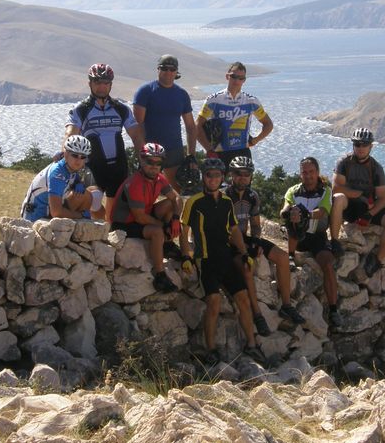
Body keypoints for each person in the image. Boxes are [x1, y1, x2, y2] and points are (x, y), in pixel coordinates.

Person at [180, 158, 265, 365]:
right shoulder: (193, 201)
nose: (213, 179)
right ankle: (210, 350)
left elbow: (234, 229)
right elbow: (184, 231)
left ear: (222, 177)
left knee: (243, 299)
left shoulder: (227, 202)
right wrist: (186, 256)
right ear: (203, 177)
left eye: (217, 175)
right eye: (209, 175)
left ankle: (252, 345)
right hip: (205, 259)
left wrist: (244, 253)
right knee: (214, 302)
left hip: (225, 257)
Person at [224, 156, 305, 335]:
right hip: (227, 242)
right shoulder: (224, 196)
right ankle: (258, 315)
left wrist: (255, 241)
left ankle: (286, 305)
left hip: (245, 238)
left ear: (251, 176)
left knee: (283, 257)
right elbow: (225, 230)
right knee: (247, 269)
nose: (242, 177)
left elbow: (255, 224)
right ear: (231, 174)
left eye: (246, 174)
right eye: (238, 173)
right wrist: (246, 249)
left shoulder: (252, 196)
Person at [65, 63, 144, 219]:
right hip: (94, 165)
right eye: (97, 82)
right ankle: (99, 227)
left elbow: (136, 135)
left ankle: (108, 229)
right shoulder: (80, 109)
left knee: (116, 212)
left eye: (106, 83)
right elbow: (70, 134)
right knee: (94, 200)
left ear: (111, 85)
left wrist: (144, 161)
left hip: (118, 165)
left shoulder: (121, 109)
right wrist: (65, 155)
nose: (102, 86)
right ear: (90, 83)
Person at [109, 143, 184, 293]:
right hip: (124, 224)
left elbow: (176, 199)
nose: (154, 166)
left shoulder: (159, 178)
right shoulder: (135, 183)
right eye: (150, 161)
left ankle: (167, 245)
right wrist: (164, 226)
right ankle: (160, 275)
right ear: (142, 160)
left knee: (169, 204)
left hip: (143, 215)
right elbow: (140, 218)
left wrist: (175, 219)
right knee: (157, 232)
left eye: (158, 163)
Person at [280, 156, 342, 328]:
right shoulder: (293, 190)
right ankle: (290, 255)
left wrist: (305, 214)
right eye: (304, 172)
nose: (308, 176)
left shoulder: (325, 191)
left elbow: (322, 211)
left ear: (317, 172)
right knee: (294, 217)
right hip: (297, 234)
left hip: (317, 236)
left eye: (311, 172)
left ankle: (333, 309)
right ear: (300, 174)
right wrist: (288, 213)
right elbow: (285, 207)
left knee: (327, 264)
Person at [331, 128, 385, 277]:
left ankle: (377, 260)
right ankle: (334, 242)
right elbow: (336, 188)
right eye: (357, 144)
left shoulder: (376, 168)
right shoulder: (344, 163)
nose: (361, 148)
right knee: (338, 198)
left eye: (365, 144)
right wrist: (361, 194)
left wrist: (370, 214)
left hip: (368, 208)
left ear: (371, 146)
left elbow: (383, 197)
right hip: (349, 206)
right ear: (353, 145)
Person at [133, 55, 197, 190]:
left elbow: (191, 127)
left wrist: (191, 155)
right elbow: (138, 126)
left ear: (176, 71)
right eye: (164, 68)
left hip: (174, 150)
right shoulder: (145, 91)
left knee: (175, 192)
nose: (168, 72)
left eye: (172, 69)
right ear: (158, 69)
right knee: (147, 191)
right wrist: (142, 153)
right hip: (150, 152)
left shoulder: (182, 94)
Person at [196, 61, 273, 170]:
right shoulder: (213, 100)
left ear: (244, 80)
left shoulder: (251, 101)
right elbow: (197, 125)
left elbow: (268, 124)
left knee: (242, 181)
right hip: (218, 153)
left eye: (241, 78)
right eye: (234, 76)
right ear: (227, 76)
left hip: (242, 151)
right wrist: (208, 149)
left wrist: (255, 140)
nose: (237, 81)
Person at [21, 135, 105, 222]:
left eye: (83, 157)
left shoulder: (69, 166)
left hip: (48, 211)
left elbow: (73, 180)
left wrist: (78, 183)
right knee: (83, 198)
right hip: (35, 217)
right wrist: (81, 215)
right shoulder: (57, 174)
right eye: (75, 155)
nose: (78, 160)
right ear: (66, 154)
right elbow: (56, 212)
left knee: (87, 195)